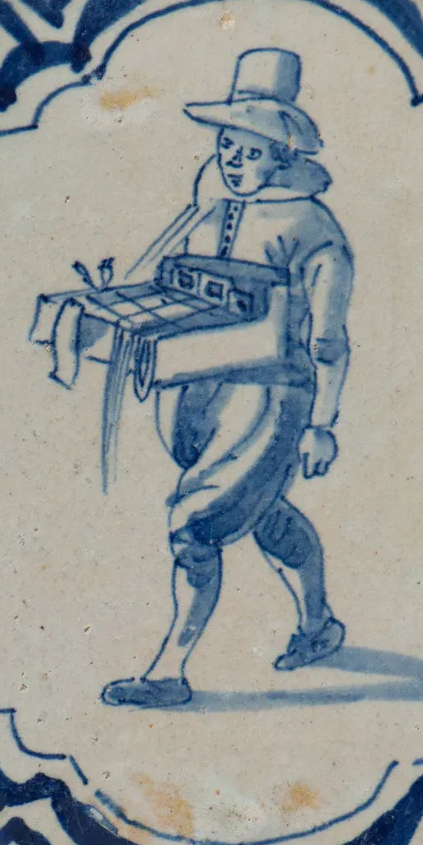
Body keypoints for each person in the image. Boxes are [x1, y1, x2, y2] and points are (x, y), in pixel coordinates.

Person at [101, 48, 354, 708]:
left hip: (270, 400)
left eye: (252, 151)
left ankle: (168, 672)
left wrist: (322, 424)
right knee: (263, 516)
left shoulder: (314, 230)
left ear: (283, 155)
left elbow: (329, 341)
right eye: (227, 147)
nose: (235, 161)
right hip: (198, 393)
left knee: (195, 525)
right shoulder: (206, 208)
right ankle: (319, 628)